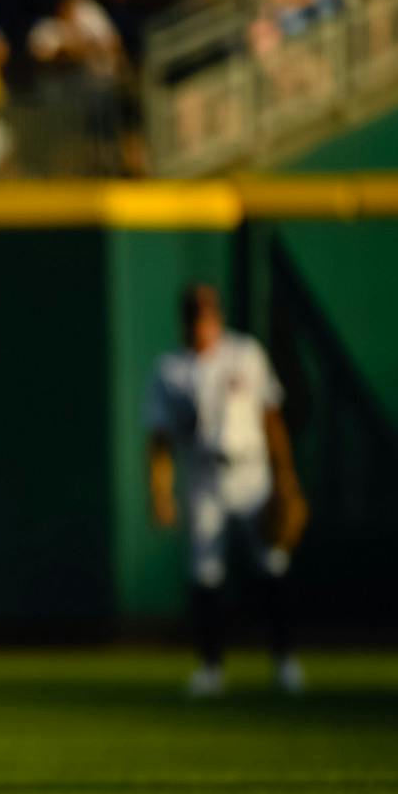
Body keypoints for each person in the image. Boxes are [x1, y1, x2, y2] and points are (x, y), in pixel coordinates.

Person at [145, 282, 308, 696]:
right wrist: (160, 492)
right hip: (203, 476)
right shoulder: (169, 369)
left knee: (273, 564)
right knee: (205, 573)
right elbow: (159, 439)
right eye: (194, 315)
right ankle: (211, 667)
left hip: (252, 474)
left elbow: (271, 416)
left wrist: (286, 476)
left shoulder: (245, 353)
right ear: (185, 319)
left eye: (207, 313)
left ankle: (285, 661)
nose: (202, 322)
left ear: (217, 315)